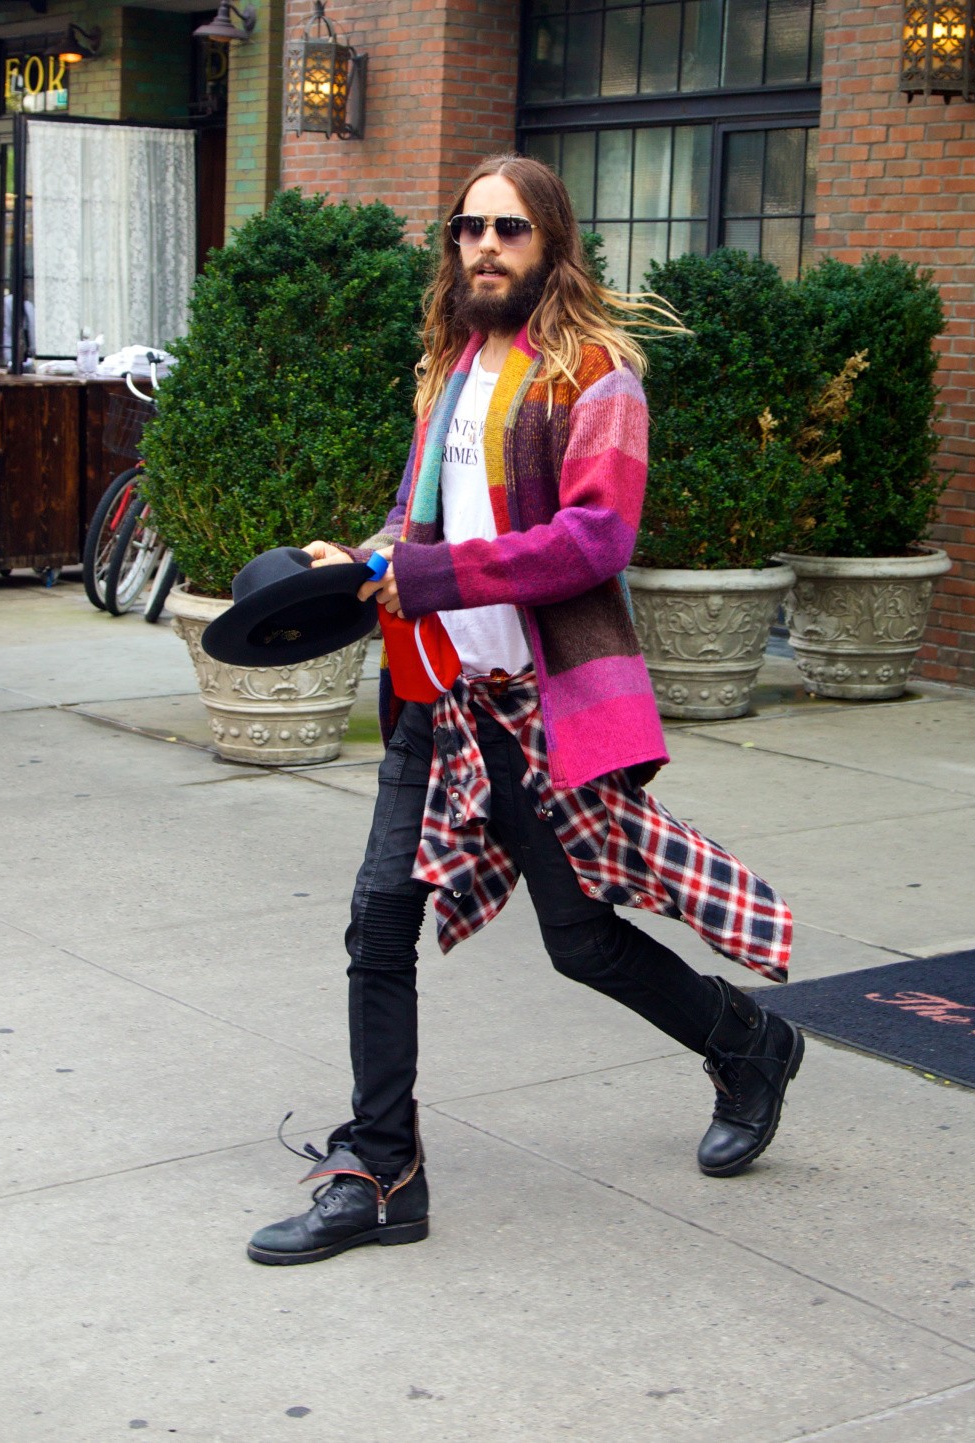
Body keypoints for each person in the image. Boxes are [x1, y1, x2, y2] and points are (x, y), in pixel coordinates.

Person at [247, 155, 804, 1267]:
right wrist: (359, 557)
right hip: (438, 699)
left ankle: (747, 1042)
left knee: (582, 942)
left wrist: (432, 575)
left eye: (509, 229)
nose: (486, 247)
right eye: (469, 228)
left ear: (550, 242)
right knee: (377, 924)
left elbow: (595, 539)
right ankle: (381, 1170)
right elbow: (419, 520)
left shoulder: (598, 376)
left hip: (539, 713)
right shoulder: (452, 367)